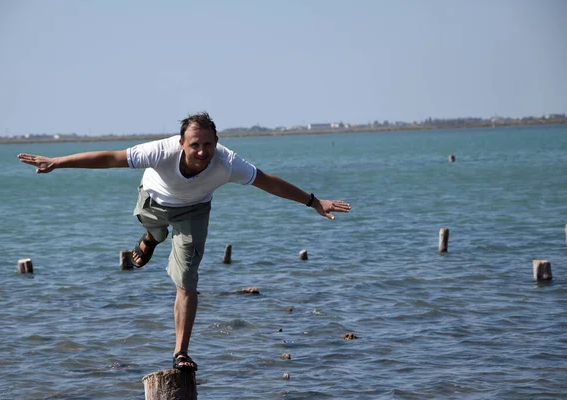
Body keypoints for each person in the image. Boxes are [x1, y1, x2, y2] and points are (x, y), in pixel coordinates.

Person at [18, 112, 351, 372]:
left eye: (207, 144)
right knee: (155, 229)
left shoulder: (228, 161)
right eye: (195, 144)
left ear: (216, 142)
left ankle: (181, 352)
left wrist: (313, 201)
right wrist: (57, 162)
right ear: (181, 143)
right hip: (153, 202)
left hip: (194, 211)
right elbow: (109, 158)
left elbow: (267, 182)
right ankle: (151, 237)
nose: (202, 151)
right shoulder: (159, 152)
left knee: (187, 281)